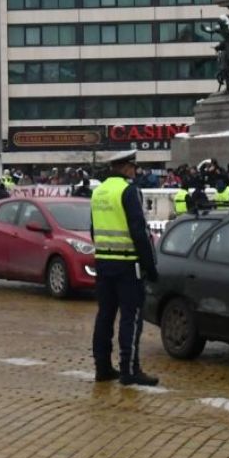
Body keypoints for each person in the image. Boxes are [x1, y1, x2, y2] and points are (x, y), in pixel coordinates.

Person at [89, 150, 160, 386]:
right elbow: (140, 232)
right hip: (128, 265)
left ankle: (102, 367)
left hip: (103, 262)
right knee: (131, 318)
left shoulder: (98, 192)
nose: (135, 171)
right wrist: (150, 266)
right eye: (133, 167)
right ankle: (129, 370)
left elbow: (93, 230)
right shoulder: (129, 191)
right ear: (127, 167)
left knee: (105, 316)